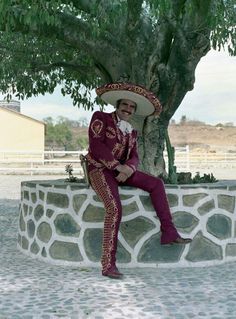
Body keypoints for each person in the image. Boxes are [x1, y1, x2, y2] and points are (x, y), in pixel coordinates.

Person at [86, 83, 192, 279]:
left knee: (156, 184)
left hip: (123, 171)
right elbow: (96, 146)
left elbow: (134, 156)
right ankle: (108, 264)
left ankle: (169, 232)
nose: (128, 109)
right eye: (125, 105)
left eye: (132, 107)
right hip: (99, 169)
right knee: (114, 208)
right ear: (118, 105)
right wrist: (117, 167)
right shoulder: (101, 118)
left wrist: (129, 168)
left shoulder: (132, 132)